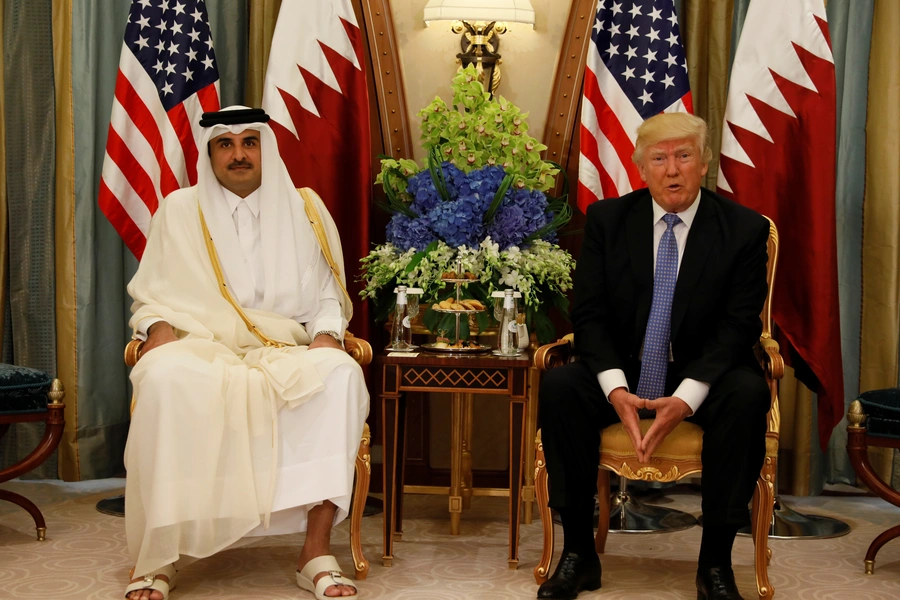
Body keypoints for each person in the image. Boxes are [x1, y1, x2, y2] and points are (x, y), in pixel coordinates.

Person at [123, 106, 368, 600]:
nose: (238, 155)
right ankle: (162, 555)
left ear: (265, 150)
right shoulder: (179, 208)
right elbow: (150, 294)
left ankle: (316, 551)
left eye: (248, 143)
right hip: (201, 344)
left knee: (339, 373)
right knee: (163, 377)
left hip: (285, 346)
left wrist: (325, 333)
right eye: (225, 144)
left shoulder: (305, 209)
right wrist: (157, 328)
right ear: (210, 153)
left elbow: (326, 293)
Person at [537, 112, 770, 600]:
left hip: (700, 374)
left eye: (684, 156)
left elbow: (738, 328)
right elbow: (591, 314)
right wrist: (617, 389)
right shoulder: (608, 220)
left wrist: (684, 399)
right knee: (560, 386)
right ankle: (578, 554)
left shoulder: (743, 230)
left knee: (748, 392)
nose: (672, 170)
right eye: (659, 158)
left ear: (704, 163)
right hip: (623, 367)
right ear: (640, 167)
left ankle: (715, 566)